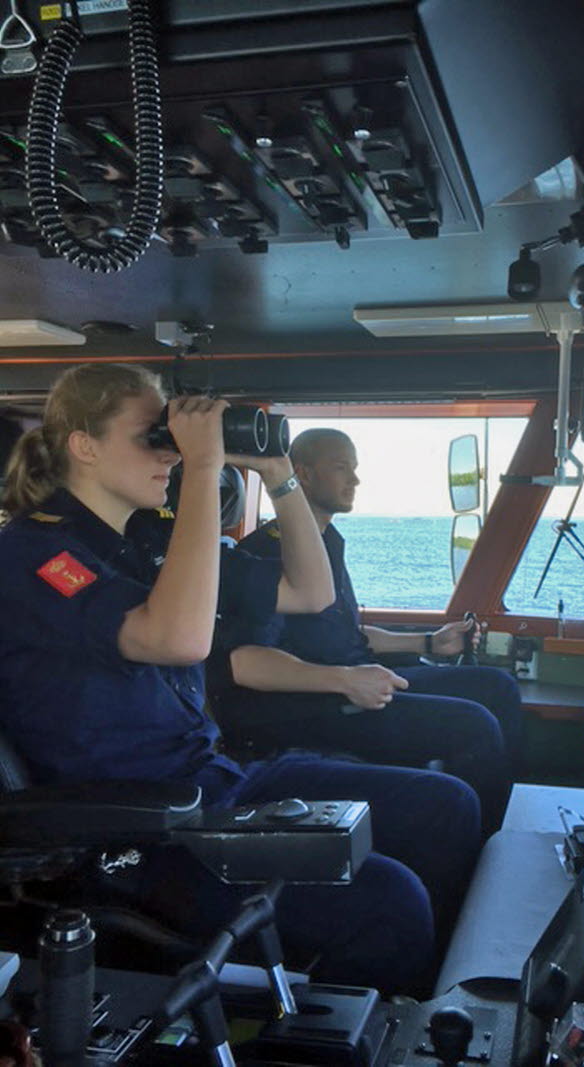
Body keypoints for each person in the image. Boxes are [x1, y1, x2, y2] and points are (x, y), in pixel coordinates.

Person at [0, 365, 481, 995]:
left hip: (212, 778)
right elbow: (177, 639)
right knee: (390, 902)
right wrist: (202, 469)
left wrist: (278, 473)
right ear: (83, 446)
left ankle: (429, 1009)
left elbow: (309, 592)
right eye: (154, 436)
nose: (169, 453)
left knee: (444, 808)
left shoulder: (146, 540)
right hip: (133, 825)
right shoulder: (34, 555)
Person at [212, 427, 523, 834]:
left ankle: (506, 835)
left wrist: (428, 641)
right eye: (342, 468)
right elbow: (242, 661)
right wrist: (343, 679)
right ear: (301, 474)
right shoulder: (266, 554)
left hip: (352, 679)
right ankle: (487, 856)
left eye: (355, 469)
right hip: (306, 706)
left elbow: (348, 635)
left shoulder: (327, 542)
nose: (355, 480)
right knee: (474, 725)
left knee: (496, 686)